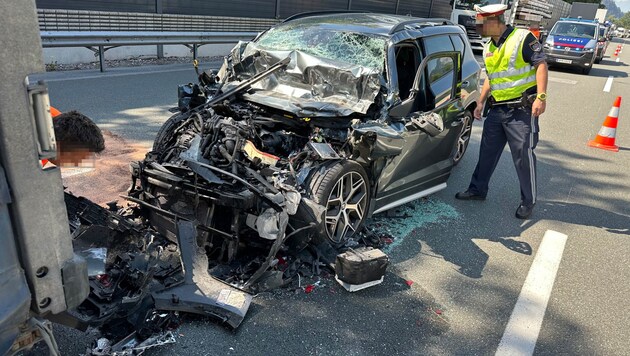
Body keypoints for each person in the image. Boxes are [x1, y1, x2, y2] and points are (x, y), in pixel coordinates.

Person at [455, 4, 548, 219]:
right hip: (497, 109)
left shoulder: (522, 37)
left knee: (523, 156)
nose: (478, 27)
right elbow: (491, 76)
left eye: (481, 23)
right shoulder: (489, 47)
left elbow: (540, 65)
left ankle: (528, 201)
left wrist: (541, 97)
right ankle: (478, 189)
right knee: (487, 153)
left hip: (522, 110)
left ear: (495, 21)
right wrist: (480, 101)